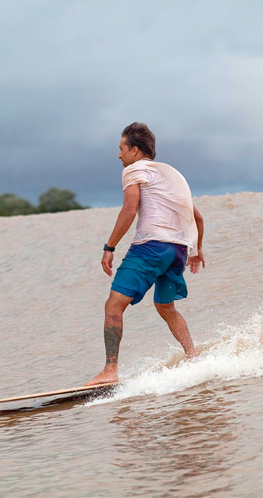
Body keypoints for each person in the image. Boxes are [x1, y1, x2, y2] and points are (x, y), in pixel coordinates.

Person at [86, 122, 206, 386]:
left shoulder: (133, 170)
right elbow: (197, 216)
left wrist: (109, 247)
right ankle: (193, 358)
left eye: (121, 149)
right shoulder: (169, 174)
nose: (119, 155)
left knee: (113, 305)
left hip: (151, 246)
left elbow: (129, 211)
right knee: (166, 307)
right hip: (177, 250)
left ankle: (110, 371)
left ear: (135, 150)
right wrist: (197, 250)